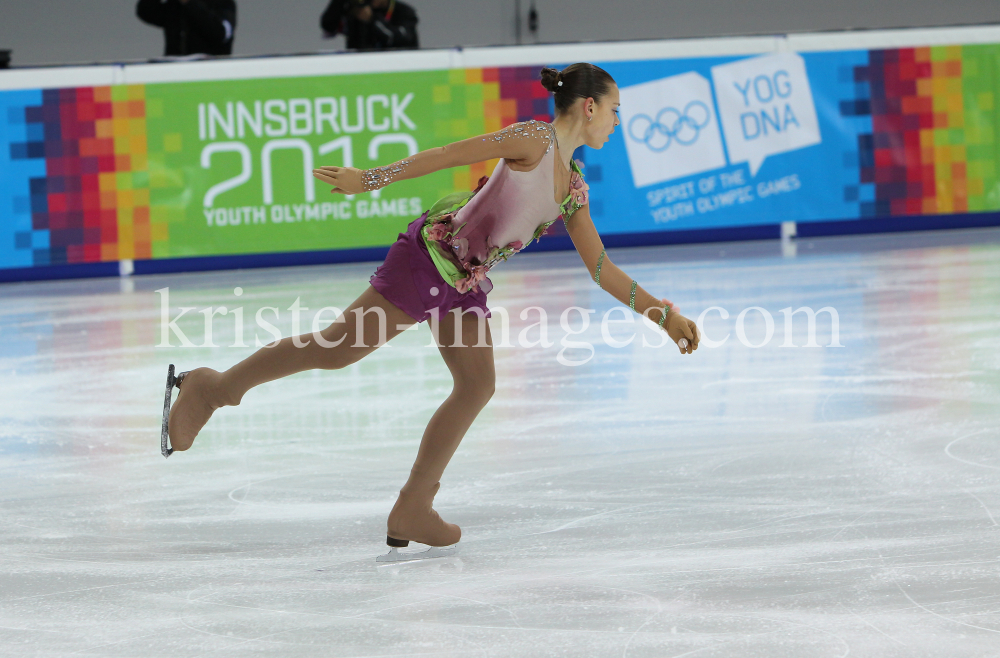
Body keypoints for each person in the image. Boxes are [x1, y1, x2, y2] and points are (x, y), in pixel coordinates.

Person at [161, 63, 700, 558]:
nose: (615, 122)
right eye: (614, 111)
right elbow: (449, 154)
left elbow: (601, 269)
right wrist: (369, 179)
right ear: (589, 107)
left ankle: (413, 506)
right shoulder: (533, 139)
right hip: (427, 261)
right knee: (337, 349)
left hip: (464, 283)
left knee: (475, 384)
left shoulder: (573, 189)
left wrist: (662, 314)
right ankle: (213, 388)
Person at [136, 0, 237, 56]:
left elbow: (220, 34)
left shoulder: (224, 3)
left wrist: (189, 3)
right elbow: (146, 11)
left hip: (212, 75)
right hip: (175, 75)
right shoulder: (174, 6)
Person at [320, 0, 418, 50]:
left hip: (396, 69)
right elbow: (329, 26)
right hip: (360, 68)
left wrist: (372, 19)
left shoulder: (403, 11)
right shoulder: (356, 11)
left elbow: (398, 39)